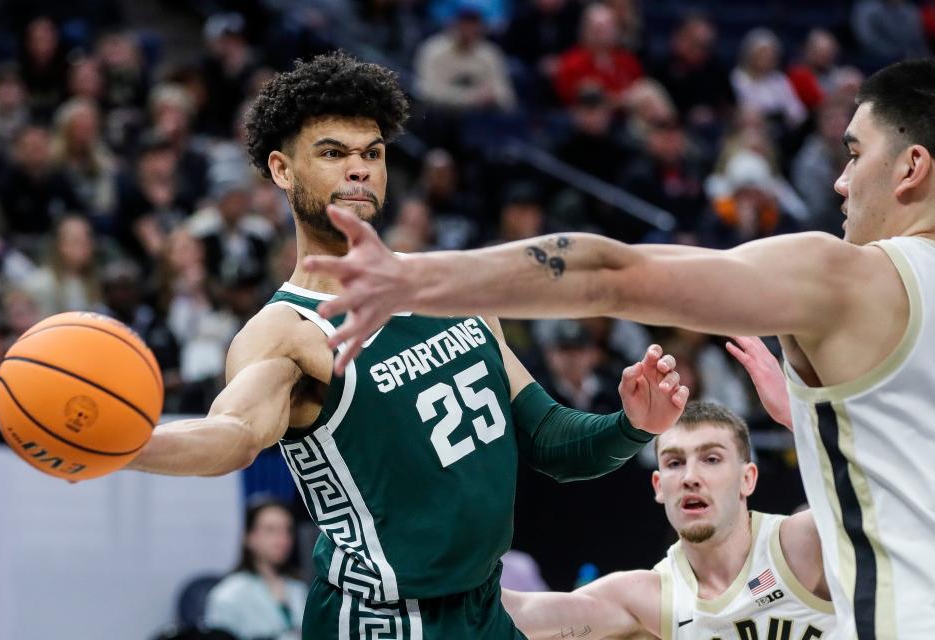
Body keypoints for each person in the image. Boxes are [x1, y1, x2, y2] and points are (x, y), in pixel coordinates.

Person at [304, 58, 935, 639]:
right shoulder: (653, 590)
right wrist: (810, 420)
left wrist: (417, 279)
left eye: (854, 155)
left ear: (911, 166)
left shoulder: (850, 279)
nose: (840, 181)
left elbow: (612, 274)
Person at [127, 51, 689, 639]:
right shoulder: (286, 331)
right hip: (380, 621)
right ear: (281, 170)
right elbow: (234, 436)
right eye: (332, 152)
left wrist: (632, 426)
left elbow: (552, 441)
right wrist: (129, 445)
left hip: (483, 607)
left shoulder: (450, 287)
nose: (359, 169)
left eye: (372, 153)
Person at [500, 401, 833, 639]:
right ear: (659, 486)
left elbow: (876, 496)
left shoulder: (800, 544)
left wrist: (799, 419)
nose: (690, 476)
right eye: (674, 463)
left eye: (711, 459)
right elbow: (519, 615)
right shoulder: (646, 600)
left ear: (747, 478)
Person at [205, 498, 309, 640]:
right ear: (249, 537)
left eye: (287, 530)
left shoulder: (299, 587)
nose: (283, 539)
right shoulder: (227, 595)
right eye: (271, 530)